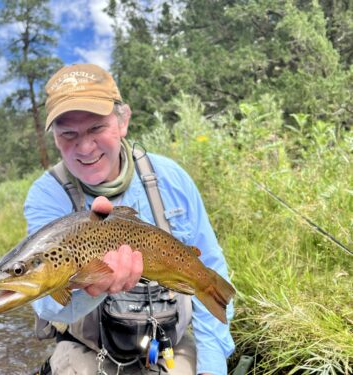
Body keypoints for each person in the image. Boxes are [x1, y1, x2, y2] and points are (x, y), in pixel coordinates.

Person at [24, 63, 234, 375]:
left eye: (96, 128)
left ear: (123, 121)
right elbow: (46, 303)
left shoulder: (171, 179)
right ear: (54, 137)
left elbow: (210, 271)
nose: (84, 146)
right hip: (88, 348)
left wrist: (212, 366)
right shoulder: (47, 195)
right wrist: (93, 285)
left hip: (167, 348)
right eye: (68, 133)